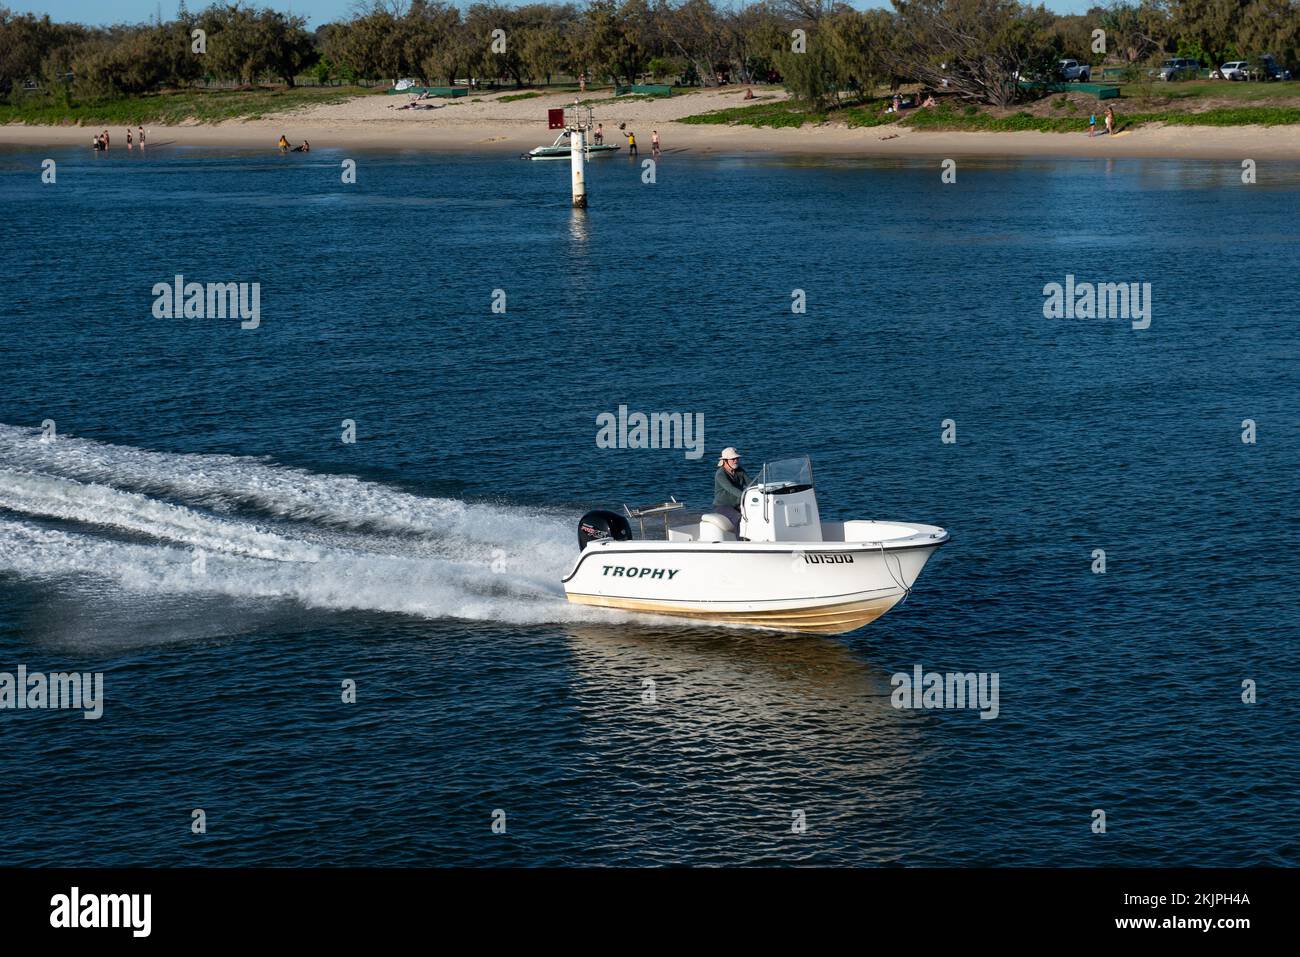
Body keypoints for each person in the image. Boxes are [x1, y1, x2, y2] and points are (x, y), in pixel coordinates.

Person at [712, 448, 749, 534]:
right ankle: (741, 542)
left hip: (738, 504)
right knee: (738, 517)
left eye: (737, 458)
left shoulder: (740, 470)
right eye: (733, 459)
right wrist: (745, 496)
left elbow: (750, 483)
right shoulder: (720, 474)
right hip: (722, 506)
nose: (736, 461)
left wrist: (761, 490)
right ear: (725, 461)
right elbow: (730, 488)